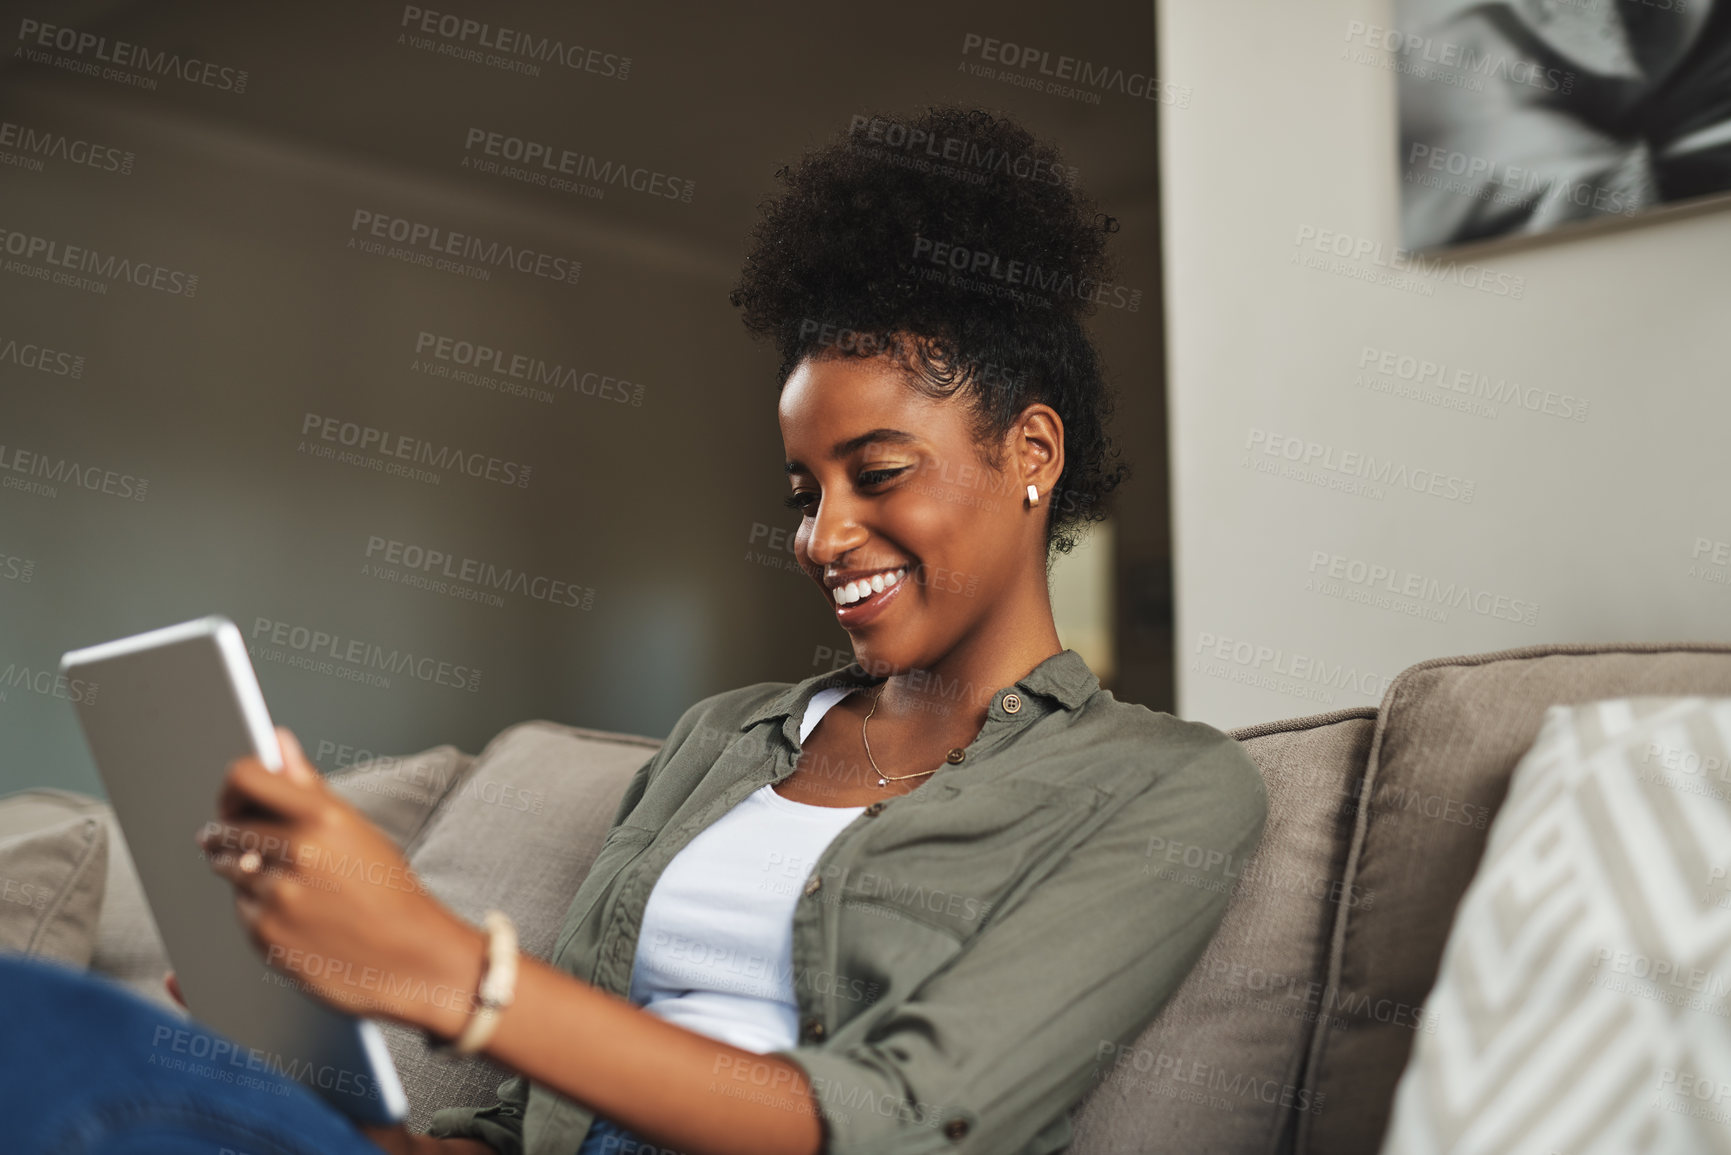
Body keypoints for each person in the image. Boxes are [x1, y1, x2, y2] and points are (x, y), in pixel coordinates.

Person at [0, 106, 1267, 1155]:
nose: (823, 536)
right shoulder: (723, 740)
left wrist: (452, 975)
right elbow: (526, 1122)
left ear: (1031, 451)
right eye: (803, 492)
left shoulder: (1161, 788)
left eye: (878, 474)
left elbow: (904, 1122)